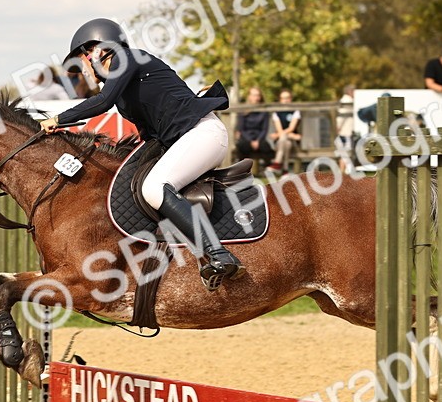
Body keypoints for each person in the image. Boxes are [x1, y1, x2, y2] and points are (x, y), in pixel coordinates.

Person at [39, 18, 240, 289]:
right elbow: (148, 134)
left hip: (203, 134)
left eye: (83, 59)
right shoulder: (124, 90)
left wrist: (58, 119)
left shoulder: (127, 58)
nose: (84, 69)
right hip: (187, 139)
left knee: (155, 188)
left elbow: (101, 102)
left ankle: (218, 254)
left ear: (98, 50)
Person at [234, 87, 272, 168]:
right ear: (249, 96)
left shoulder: (264, 111)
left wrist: (257, 141)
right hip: (246, 138)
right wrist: (251, 141)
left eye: (258, 95)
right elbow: (241, 129)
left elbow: (264, 129)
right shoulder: (243, 111)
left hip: (259, 138)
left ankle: (268, 170)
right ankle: (242, 171)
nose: (256, 98)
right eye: (254, 95)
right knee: (242, 146)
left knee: (267, 148)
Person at [268, 89, 302, 177]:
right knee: (285, 142)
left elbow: (291, 128)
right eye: (283, 98)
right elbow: (280, 129)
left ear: (291, 99)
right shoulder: (276, 113)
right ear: (280, 100)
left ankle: (277, 163)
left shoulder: (295, 111)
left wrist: (278, 135)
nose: (285, 100)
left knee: (285, 141)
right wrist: (292, 135)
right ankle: (285, 170)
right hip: (283, 141)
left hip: (292, 143)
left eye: (287, 98)